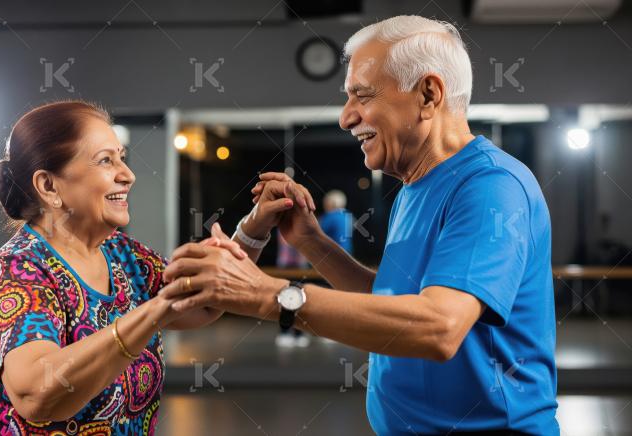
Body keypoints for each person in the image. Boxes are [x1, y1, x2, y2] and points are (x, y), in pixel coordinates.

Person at [160, 15, 558, 435]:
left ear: (428, 94)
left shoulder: (491, 186)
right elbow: (392, 302)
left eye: (362, 96)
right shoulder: (413, 188)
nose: (346, 117)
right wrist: (313, 242)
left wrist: (266, 295)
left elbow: (439, 326)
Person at [0, 101, 242, 434]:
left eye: (121, 158)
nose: (128, 175)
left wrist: (255, 230)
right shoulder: (18, 270)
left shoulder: (122, 254)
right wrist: (153, 311)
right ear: (49, 187)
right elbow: (36, 394)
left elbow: (204, 302)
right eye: (105, 161)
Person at [319, 190, 353, 254]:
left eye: (326, 202)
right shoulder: (348, 215)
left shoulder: (330, 216)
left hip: (333, 253)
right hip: (348, 252)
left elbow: (318, 231)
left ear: (331, 203)